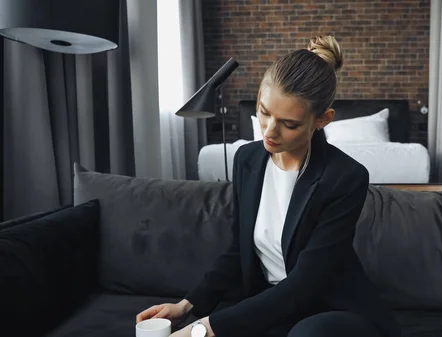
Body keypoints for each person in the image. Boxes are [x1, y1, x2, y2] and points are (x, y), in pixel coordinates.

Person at [136, 35, 399, 337]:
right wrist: (187, 305)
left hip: (330, 309)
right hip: (271, 306)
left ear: (322, 120)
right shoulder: (247, 160)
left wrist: (203, 329)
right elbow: (239, 251)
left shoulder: (344, 178)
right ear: (260, 95)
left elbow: (305, 284)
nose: (269, 132)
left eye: (289, 124)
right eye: (264, 112)